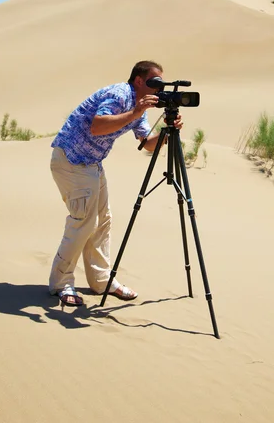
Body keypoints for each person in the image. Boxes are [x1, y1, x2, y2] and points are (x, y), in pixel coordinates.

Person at [49, 60, 183, 306]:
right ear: (139, 81)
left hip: (92, 164)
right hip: (71, 161)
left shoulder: (136, 105)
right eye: (155, 82)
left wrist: (166, 130)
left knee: (103, 221)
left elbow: (147, 144)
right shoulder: (120, 94)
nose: (159, 88)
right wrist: (135, 113)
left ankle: (101, 281)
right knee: (83, 222)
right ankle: (61, 283)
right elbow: (98, 126)